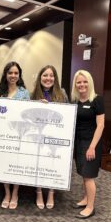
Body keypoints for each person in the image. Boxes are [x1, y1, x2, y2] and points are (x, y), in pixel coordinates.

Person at [31, 65, 68, 209]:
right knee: (39, 163)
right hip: (39, 135)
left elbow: (67, 115)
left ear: (55, 78)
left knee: (53, 163)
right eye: (45, 75)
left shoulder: (62, 93)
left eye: (51, 75)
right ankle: (39, 191)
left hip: (55, 136)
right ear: (40, 78)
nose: (48, 78)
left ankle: (51, 192)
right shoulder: (33, 94)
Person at [71, 70, 104, 219]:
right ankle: (86, 199)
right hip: (78, 142)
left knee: (89, 175)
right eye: (79, 82)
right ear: (75, 84)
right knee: (83, 173)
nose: (82, 85)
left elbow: (101, 125)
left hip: (91, 143)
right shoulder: (75, 101)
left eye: (85, 81)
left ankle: (91, 207)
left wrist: (92, 147)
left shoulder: (97, 100)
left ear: (89, 82)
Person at [0, 61, 30, 209]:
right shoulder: (0, 91)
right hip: (3, 133)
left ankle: (15, 192)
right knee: (4, 164)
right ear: (5, 74)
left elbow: (27, 114)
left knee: (16, 164)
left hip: (18, 134)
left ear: (19, 75)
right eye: (10, 73)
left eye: (16, 73)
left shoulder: (24, 92)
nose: (13, 75)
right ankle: (7, 193)